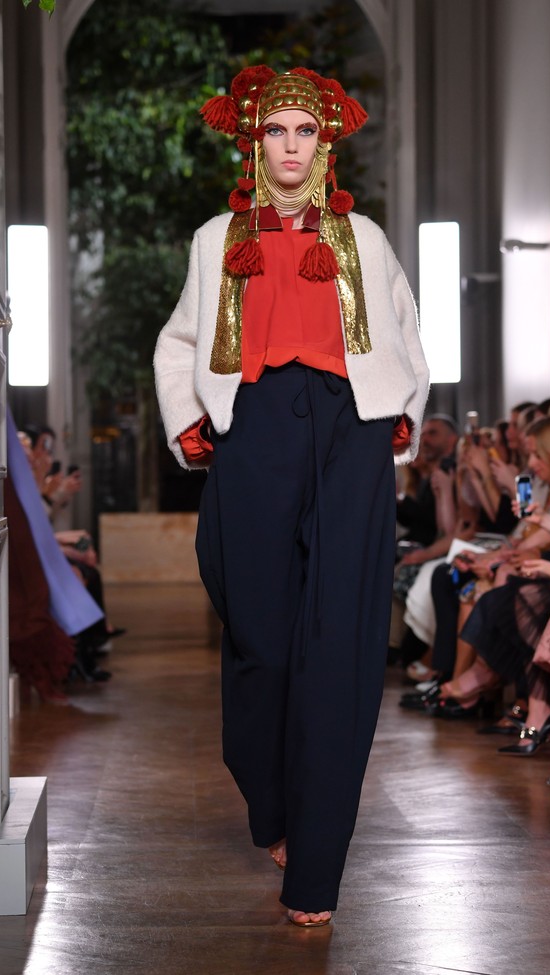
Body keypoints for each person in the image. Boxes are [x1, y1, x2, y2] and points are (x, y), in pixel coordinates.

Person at [154, 65, 429, 927]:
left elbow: (405, 336)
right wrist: (190, 421)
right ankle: (271, 802)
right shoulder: (213, 239)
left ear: (326, 141)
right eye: (275, 130)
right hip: (257, 430)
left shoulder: (367, 239)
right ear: (253, 139)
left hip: (349, 433)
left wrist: (401, 417)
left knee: (338, 647)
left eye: (304, 131)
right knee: (261, 640)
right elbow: (180, 341)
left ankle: (315, 868)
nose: (289, 146)